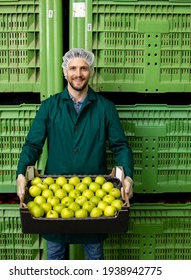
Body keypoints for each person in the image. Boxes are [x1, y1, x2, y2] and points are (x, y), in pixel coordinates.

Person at [16, 48, 134, 260]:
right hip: (52, 195)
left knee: (95, 257)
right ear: (65, 72)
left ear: (91, 72)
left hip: (96, 195)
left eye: (83, 68)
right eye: (72, 68)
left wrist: (128, 177)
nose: (78, 74)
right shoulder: (49, 107)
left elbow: (120, 146)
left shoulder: (105, 108)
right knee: (54, 256)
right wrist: (21, 174)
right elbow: (33, 144)